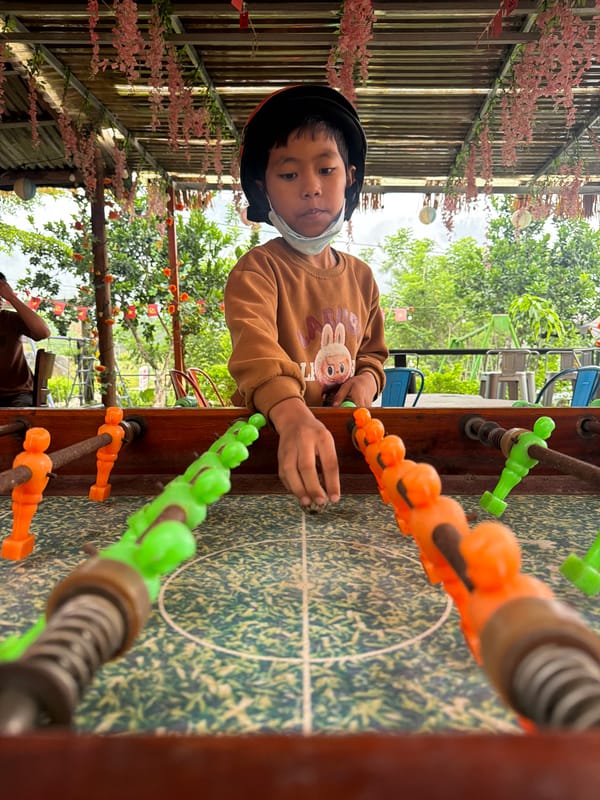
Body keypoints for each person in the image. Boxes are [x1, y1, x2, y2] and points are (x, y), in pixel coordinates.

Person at [224, 85, 388, 510]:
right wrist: (294, 416)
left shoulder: (363, 278)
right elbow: (255, 353)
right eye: (289, 174)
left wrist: (365, 383)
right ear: (264, 189)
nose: (311, 188)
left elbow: (372, 355)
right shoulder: (257, 272)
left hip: (342, 452)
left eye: (326, 170)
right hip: (269, 448)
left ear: (350, 177)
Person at [0, 272, 51, 407]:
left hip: (18, 394)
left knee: (21, 418)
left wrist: (12, 298)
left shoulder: (10, 319)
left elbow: (43, 332)